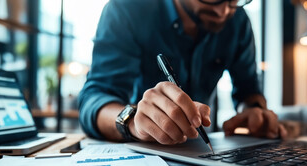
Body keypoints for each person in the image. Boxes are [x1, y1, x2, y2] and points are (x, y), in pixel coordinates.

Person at [78, 0, 287, 145]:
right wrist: (133, 122)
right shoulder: (127, 9)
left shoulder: (239, 21)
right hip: (145, 150)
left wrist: (254, 111)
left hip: (205, 151)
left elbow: (248, 90)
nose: (223, 11)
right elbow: (94, 99)